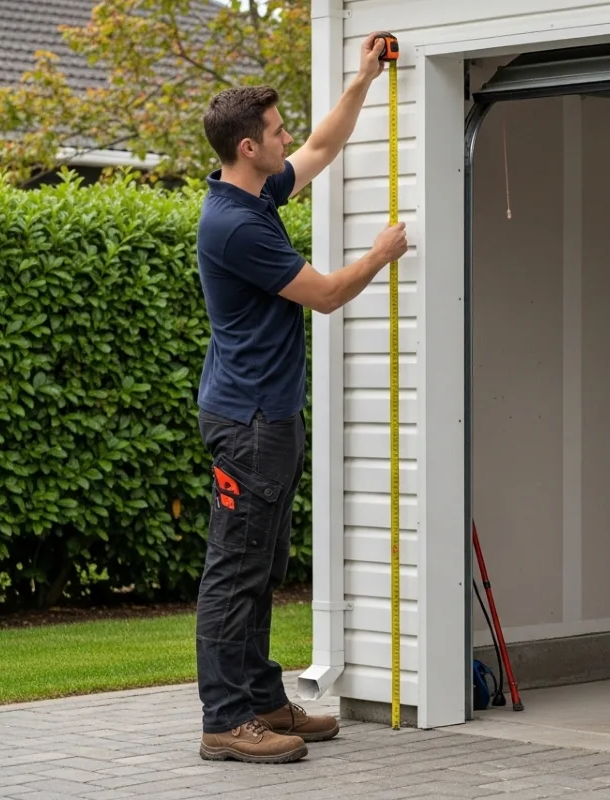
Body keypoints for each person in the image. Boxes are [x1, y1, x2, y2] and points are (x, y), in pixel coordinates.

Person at [193, 31, 408, 764]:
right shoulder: (234, 226)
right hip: (248, 422)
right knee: (236, 569)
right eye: (276, 131)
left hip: (268, 417)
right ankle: (226, 719)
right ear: (248, 148)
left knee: (263, 565)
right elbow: (324, 295)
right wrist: (380, 254)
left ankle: (263, 700)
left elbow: (320, 147)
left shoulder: (253, 194)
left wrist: (362, 81)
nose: (288, 137)